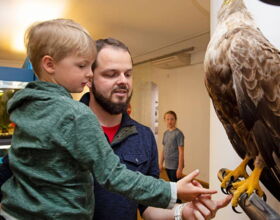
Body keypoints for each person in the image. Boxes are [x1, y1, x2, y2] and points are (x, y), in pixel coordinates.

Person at [0, 19, 217, 220]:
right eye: (111, 74)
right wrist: (174, 189)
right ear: (91, 79)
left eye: (128, 74)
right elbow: (15, 171)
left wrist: (181, 212)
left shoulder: (144, 137)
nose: (123, 81)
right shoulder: (72, 117)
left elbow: (147, 207)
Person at [160, 111, 185, 184]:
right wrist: (161, 163)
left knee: (177, 185)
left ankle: (179, 196)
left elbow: (181, 152)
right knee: (172, 183)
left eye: (172, 119)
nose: (169, 121)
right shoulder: (165, 133)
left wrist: (180, 168)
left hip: (175, 166)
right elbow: (164, 149)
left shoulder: (178, 134)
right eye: (167, 119)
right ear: (165, 120)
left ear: (175, 120)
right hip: (167, 165)